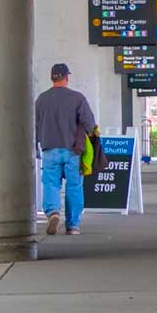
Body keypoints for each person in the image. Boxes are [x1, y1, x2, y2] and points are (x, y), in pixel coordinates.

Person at [34, 62, 95, 236]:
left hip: (49, 149)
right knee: (74, 186)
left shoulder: (41, 99)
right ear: (67, 78)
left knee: (51, 184)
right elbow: (89, 124)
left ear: (52, 78)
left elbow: (35, 125)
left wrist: (35, 146)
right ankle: (73, 225)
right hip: (72, 150)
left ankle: (53, 212)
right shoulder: (77, 98)